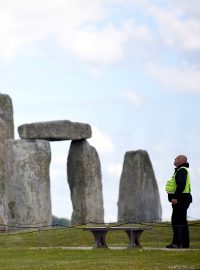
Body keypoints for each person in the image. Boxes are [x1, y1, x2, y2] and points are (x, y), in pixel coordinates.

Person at [165, 155, 192, 249]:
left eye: (176, 158)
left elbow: (181, 185)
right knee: (182, 221)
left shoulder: (182, 170)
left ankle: (177, 243)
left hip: (181, 200)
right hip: (183, 199)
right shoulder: (180, 170)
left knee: (176, 221)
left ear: (180, 160)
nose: (174, 159)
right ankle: (184, 244)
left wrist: (175, 198)